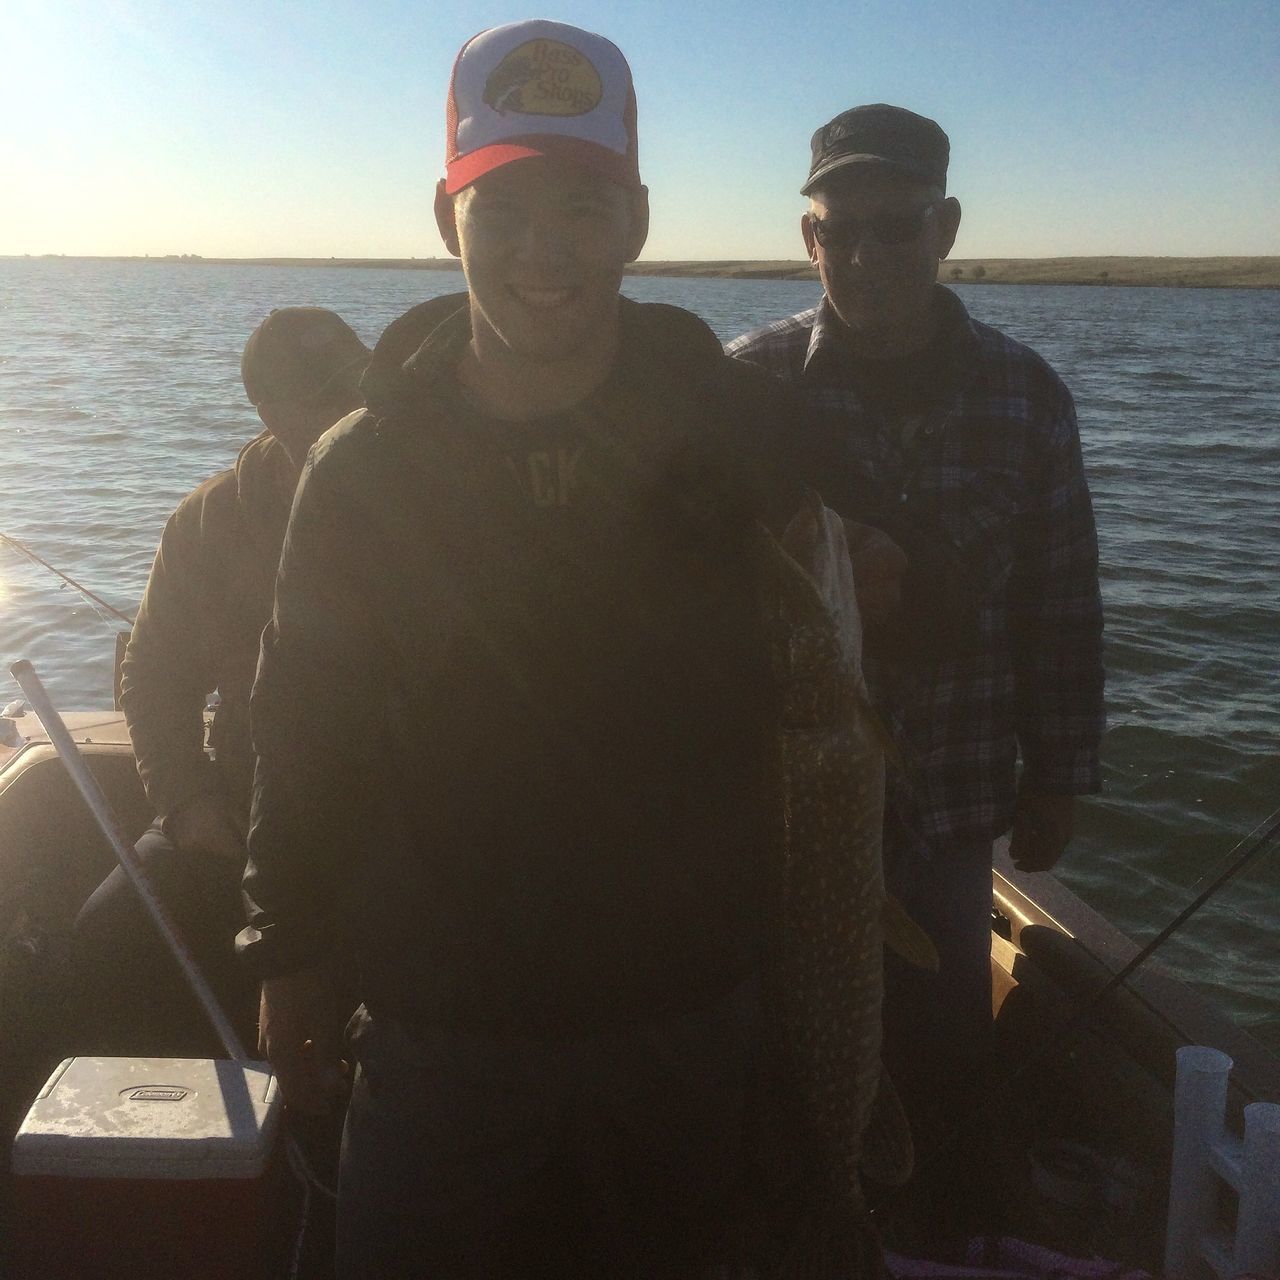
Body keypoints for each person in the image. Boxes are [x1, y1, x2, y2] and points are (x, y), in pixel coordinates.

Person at [239, 21, 912, 1278]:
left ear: (637, 220)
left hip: (692, 1023)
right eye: (501, 210)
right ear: (448, 223)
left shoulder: (728, 420)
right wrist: (287, 948)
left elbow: (850, 562)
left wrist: (873, 558)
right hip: (445, 1032)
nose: (540, 249)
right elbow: (304, 718)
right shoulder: (366, 467)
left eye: (580, 206)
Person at [727, 104, 1105, 1137]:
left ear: (942, 229)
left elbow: (1058, 598)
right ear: (808, 238)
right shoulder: (741, 385)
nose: (862, 254)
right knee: (774, 1060)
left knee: (938, 1063)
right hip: (776, 815)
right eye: (835, 230)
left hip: (950, 793)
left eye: (892, 226)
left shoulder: (1026, 396)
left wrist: (1059, 774)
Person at [74, 307, 369, 1057]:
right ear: (269, 412)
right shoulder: (207, 521)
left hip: (388, 818)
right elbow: (153, 675)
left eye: (357, 388)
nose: (352, 411)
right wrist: (184, 799)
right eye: (323, 396)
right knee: (108, 939)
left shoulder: (416, 499)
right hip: (241, 809)